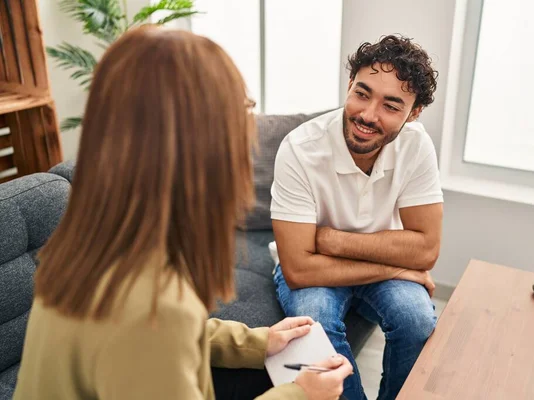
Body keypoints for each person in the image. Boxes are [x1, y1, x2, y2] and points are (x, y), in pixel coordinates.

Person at [13, 27, 353, 400]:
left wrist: (257, 342)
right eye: (242, 114)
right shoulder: (153, 308)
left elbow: (156, 338)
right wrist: (301, 394)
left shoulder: (86, 246)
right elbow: (150, 329)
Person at [270, 34, 442, 400]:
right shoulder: (300, 149)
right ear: (349, 84)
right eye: (362, 93)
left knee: (417, 318)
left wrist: (333, 240)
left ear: (413, 114)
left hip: (338, 259)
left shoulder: (417, 146)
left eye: (391, 106)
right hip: (326, 269)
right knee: (312, 321)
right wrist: (396, 268)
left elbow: (426, 250)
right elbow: (299, 269)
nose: (367, 115)